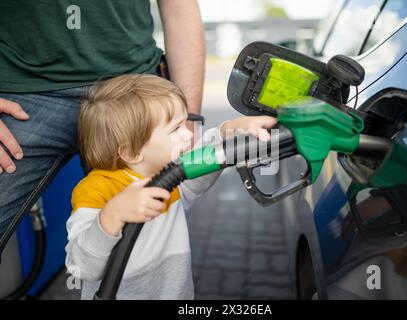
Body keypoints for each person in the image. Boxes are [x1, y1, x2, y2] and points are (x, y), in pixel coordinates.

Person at [0, 0, 205, 254]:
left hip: (135, 93)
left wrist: (188, 119)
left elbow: (179, 7)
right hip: (23, 91)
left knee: (146, 250)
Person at [65, 74, 277, 299]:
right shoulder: (95, 190)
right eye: (175, 129)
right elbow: (81, 267)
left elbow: (202, 167)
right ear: (131, 152)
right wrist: (112, 215)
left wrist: (228, 133)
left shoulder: (168, 173)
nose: (188, 133)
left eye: (184, 122)